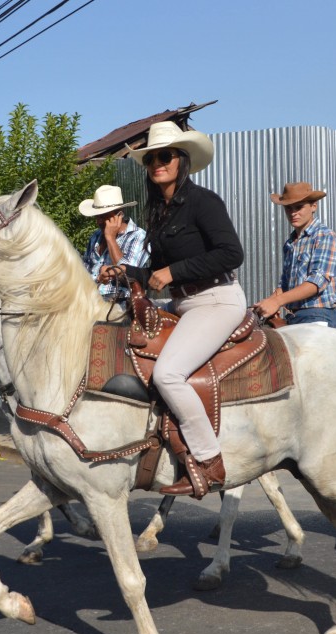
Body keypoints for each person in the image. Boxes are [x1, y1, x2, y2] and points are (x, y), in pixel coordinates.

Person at [100, 120, 246, 498]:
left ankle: (210, 461)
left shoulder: (203, 202)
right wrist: (126, 270)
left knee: (167, 374)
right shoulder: (160, 212)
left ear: (181, 160)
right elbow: (155, 275)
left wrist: (173, 271)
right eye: (151, 160)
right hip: (184, 304)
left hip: (216, 301)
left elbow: (232, 254)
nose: (157, 164)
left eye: (165, 156)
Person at [252, 182, 336, 328]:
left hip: (318, 314)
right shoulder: (290, 243)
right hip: (294, 316)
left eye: (299, 207)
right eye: (288, 208)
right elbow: (286, 285)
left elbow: (316, 283)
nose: (293, 213)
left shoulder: (325, 237)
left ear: (314, 206)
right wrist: (267, 303)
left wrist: (277, 301)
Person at [79, 185, 148, 303]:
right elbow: (85, 270)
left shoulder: (138, 237)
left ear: (119, 215)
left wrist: (110, 238)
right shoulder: (96, 236)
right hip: (89, 301)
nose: (98, 221)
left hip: (120, 304)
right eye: (97, 216)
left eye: (103, 217)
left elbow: (128, 276)